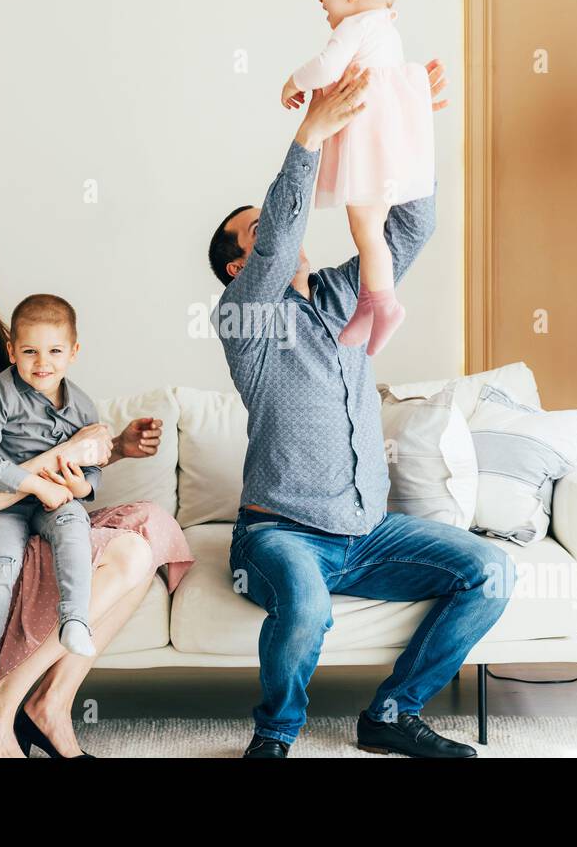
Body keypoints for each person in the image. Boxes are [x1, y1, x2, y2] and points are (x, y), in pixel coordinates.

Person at [208, 60, 516, 758]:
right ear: (237, 268)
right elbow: (281, 239)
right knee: (308, 605)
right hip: (280, 536)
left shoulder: (350, 295)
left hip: (369, 534)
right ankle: (275, 735)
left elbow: (414, 222)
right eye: (254, 233)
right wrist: (309, 135)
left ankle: (390, 714)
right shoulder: (244, 318)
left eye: (270, 223)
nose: (279, 233)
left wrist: (408, 120)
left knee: (490, 570)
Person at [0, 239, 194, 757]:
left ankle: (49, 707)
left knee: (150, 528)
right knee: (127, 553)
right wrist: (63, 456)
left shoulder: (9, 356)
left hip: (28, 517)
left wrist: (114, 449)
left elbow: (52, 451)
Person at [0, 293, 107, 723]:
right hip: (3, 503)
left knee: (75, 522)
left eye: (55, 351)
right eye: (30, 351)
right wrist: (30, 482)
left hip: (54, 499)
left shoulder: (81, 406)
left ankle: (75, 619)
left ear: (73, 352)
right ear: (11, 351)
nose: (43, 362)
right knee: (1, 564)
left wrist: (83, 484)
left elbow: (92, 465)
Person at [280, 0, 434, 355]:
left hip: (368, 151)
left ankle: (382, 305)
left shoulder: (356, 26)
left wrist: (294, 80)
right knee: (372, 233)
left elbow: (327, 66)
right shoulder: (386, 29)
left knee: (365, 230)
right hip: (388, 150)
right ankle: (368, 304)